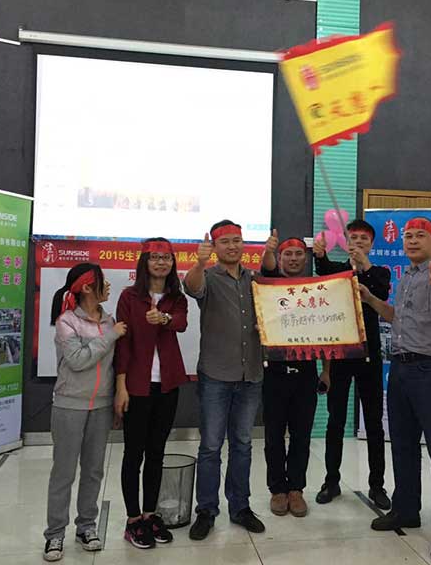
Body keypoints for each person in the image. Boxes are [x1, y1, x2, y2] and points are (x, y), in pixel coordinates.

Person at [369, 216, 431, 562]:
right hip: (401, 369)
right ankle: (406, 509)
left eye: (419, 235)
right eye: (408, 236)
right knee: (403, 445)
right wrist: (370, 299)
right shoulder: (407, 277)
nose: (411, 240)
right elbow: (397, 317)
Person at [183, 220, 265, 540]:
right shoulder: (208, 277)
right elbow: (191, 287)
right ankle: (206, 510)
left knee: (243, 444)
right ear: (215, 247)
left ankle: (240, 507)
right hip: (216, 375)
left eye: (237, 240)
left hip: (251, 374)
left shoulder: (255, 280)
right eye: (225, 241)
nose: (232, 246)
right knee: (211, 446)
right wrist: (199, 262)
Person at [43, 263, 127, 562]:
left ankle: (87, 526)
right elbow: (77, 361)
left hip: (101, 406)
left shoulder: (109, 320)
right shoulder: (67, 321)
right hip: (69, 405)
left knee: (93, 470)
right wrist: (110, 336)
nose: (109, 286)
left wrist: (115, 397)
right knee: (64, 472)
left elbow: (113, 364)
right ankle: (55, 534)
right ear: (88, 287)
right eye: (103, 282)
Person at [114, 238, 190, 549]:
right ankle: (133, 520)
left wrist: (165, 318)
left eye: (166, 258)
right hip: (136, 385)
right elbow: (123, 343)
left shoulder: (176, 297)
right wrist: (120, 386)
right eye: (155, 258)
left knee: (157, 451)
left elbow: (181, 323)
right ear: (144, 263)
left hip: (167, 384)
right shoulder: (129, 297)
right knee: (134, 453)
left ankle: (150, 514)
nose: (161, 263)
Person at [313, 219, 392, 510]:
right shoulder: (337, 270)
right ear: (346, 242)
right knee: (335, 421)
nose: (358, 242)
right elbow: (322, 268)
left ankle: (377, 485)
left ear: (371, 244)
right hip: (340, 356)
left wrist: (365, 266)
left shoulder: (380, 272)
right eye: (353, 238)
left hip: (369, 357)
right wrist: (320, 254)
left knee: (373, 423)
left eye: (363, 239)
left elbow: (381, 293)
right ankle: (331, 481)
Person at [260, 232, 319, 517]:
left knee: (301, 435)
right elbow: (268, 268)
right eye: (287, 254)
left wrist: (327, 371)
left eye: (298, 254)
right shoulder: (270, 284)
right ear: (280, 258)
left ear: (305, 259)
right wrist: (268, 251)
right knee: (273, 435)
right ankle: (277, 490)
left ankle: (296, 489)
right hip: (274, 372)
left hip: (306, 371)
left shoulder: (315, 289)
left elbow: (326, 334)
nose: (293, 259)